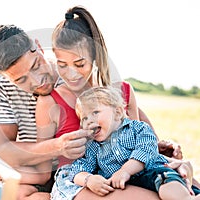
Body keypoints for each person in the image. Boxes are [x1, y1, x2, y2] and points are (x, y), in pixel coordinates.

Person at [0, 22, 191, 199]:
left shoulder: (71, 70)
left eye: (36, 65)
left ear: (38, 46)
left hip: (98, 165)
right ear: (6, 77)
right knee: (19, 193)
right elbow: (3, 148)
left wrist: (153, 141)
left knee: (177, 177)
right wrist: (56, 147)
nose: (38, 81)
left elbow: (120, 104)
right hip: (50, 173)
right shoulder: (0, 88)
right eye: (20, 80)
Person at [33, 5, 198, 200]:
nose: (71, 73)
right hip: (83, 181)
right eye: (62, 65)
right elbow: (42, 166)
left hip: (131, 172)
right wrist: (59, 148)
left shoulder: (123, 92)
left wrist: (173, 162)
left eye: (80, 64)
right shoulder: (49, 103)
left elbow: (138, 140)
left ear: (95, 55)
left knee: (186, 186)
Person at [66, 86, 200, 200]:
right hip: (127, 186)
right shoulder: (92, 146)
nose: (89, 121)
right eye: (84, 118)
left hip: (153, 172)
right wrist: (88, 180)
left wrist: (125, 171)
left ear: (117, 112)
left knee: (166, 181)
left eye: (95, 112)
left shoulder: (138, 128)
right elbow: (79, 168)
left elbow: (145, 150)